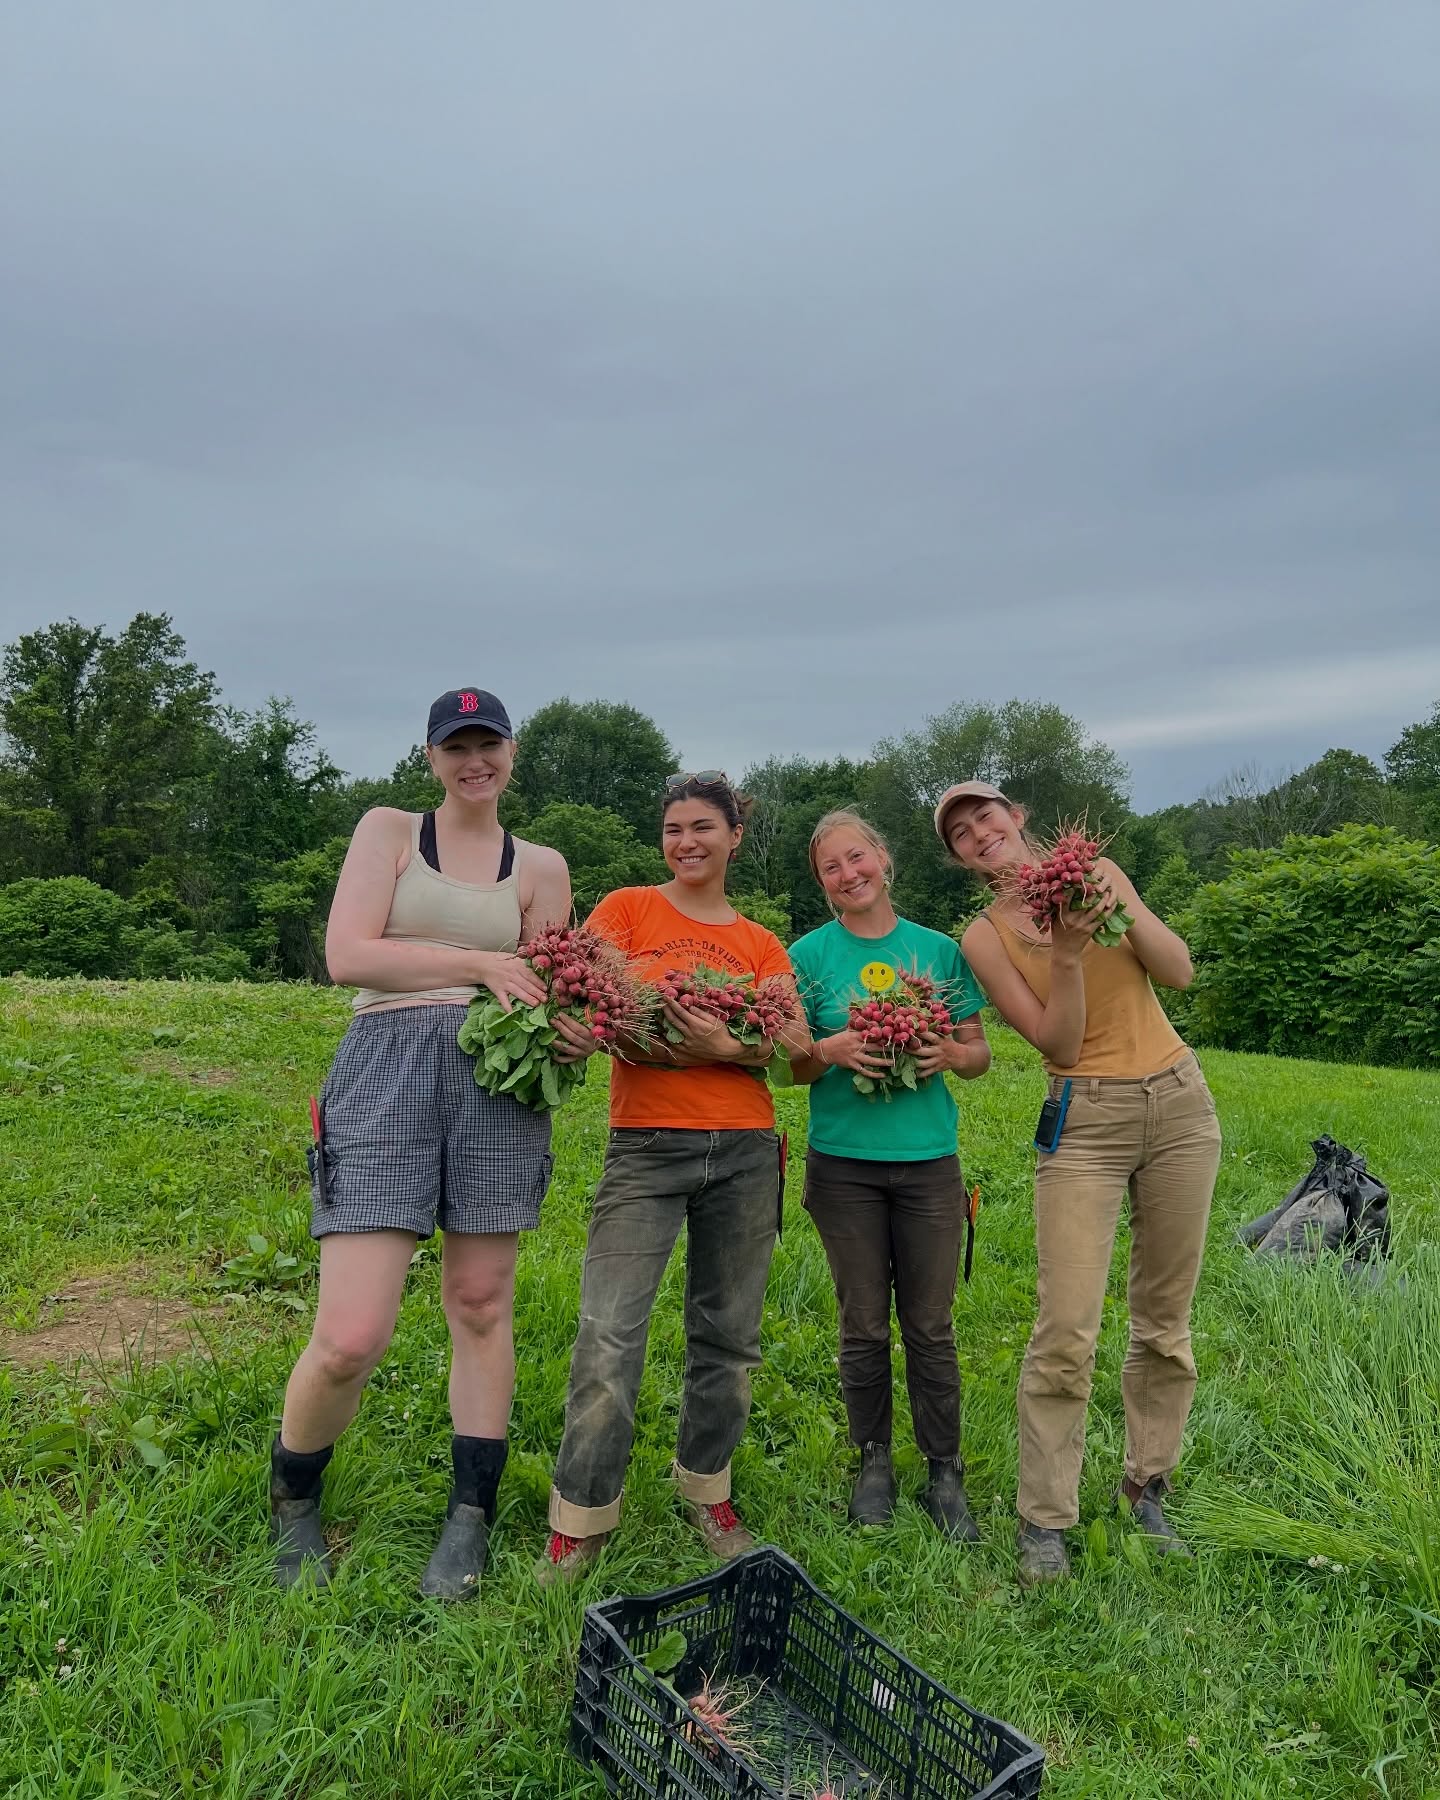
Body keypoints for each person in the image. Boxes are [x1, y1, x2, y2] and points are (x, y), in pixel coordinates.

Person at [270, 687, 586, 1599]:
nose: (473, 760)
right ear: (431, 757)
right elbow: (349, 955)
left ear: (513, 754)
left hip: (497, 1083)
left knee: (482, 1303)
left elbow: (554, 984)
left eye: (489, 744)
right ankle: (295, 1496)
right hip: (386, 1067)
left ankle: (469, 1516)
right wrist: (480, 963)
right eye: (458, 747)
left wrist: (574, 1030)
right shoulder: (389, 833)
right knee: (352, 1333)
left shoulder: (543, 866)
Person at [938, 780, 1221, 1586]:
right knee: (1066, 1329)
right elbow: (1058, 1043)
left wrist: (1114, 908)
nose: (978, 833)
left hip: (1178, 1102)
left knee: (1164, 1319)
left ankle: (1145, 1484)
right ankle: (1045, 1519)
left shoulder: (1099, 873)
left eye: (985, 816)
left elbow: (1179, 971)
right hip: (1083, 1118)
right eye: (960, 833)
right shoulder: (985, 937)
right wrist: (1064, 950)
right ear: (960, 858)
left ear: (1016, 817)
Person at [537, 772, 809, 1585]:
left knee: (728, 1338)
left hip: (745, 1148)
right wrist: (623, 1033)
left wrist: (726, 1050)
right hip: (646, 1146)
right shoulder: (626, 910)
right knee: (610, 1331)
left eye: (702, 827)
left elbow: (792, 1043)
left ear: (733, 835)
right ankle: (581, 1518)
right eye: (672, 829)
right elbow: (589, 994)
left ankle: (707, 1491)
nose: (685, 842)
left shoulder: (761, 942)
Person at [787, 810, 991, 1538]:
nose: (849, 875)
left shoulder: (935, 951)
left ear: (883, 857)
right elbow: (787, 1065)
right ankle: (874, 1460)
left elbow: (978, 1051)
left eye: (856, 857)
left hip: (929, 1164)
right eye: (831, 869)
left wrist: (947, 1056)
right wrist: (832, 1047)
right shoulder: (806, 956)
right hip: (842, 1166)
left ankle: (945, 1469)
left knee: (931, 1325)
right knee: (863, 1323)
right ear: (823, 885)